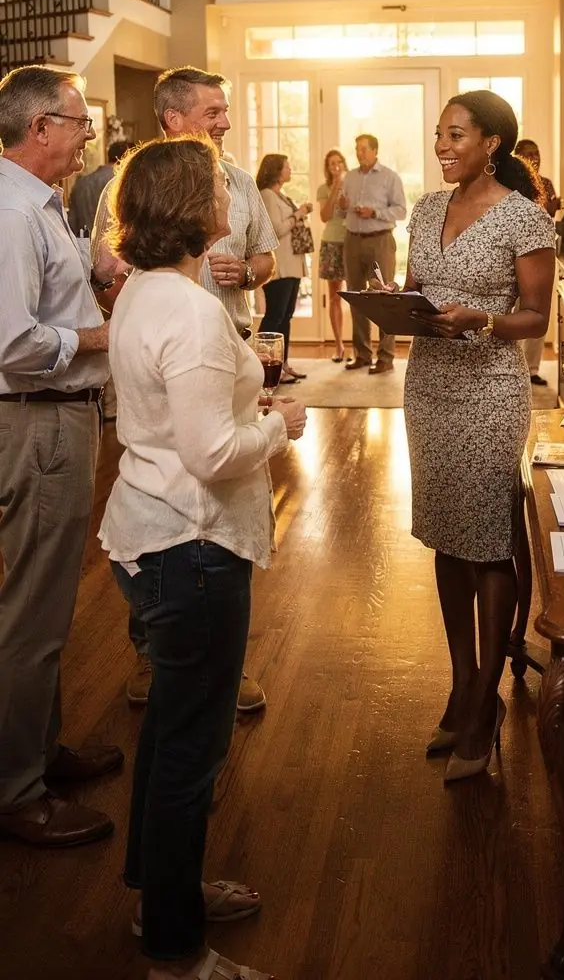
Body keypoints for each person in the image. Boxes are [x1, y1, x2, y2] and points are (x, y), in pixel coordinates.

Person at [100, 136, 304, 980]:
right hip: (189, 544)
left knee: (170, 733)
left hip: (149, 530)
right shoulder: (185, 309)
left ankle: (162, 893)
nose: (231, 194)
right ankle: (177, 954)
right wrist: (279, 426)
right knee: (192, 749)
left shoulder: (146, 290)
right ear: (193, 205)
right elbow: (213, 453)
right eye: (219, 185)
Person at [93, 67, 278, 713]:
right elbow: (108, 274)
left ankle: (205, 658)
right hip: (166, 355)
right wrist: (279, 427)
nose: (225, 122)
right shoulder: (132, 188)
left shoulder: (240, 182)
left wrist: (245, 271)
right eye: (212, 111)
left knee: (191, 512)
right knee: (179, 501)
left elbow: (266, 258)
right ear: (174, 119)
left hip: (222, 352)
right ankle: (166, 658)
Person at [399, 91, 555, 782]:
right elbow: (413, 288)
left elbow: (536, 317)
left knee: (489, 539)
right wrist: (395, 304)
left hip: (489, 391)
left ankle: (486, 699)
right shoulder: (425, 209)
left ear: (492, 143)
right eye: (439, 134)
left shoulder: (525, 218)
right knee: (445, 533)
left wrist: (481, 320)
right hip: (428, 387)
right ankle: (462, 683)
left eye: (456, 134)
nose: (442, 145)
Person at [0, 65, 120, 848]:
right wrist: (97, 337)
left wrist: (97, 274)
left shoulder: (40, 204)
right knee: (33, 612)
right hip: (39, 420)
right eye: (79, 121)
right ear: (41, 127)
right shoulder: (14, 212)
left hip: (57, 418)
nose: (89, 134)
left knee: (43, 603)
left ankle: (39, 753)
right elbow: (13, 343)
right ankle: (18, 791)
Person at [341, 134, 407, 374]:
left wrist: (375, 212)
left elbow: (401, 210)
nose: (359, 153)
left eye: (363, 149)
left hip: (380, 241)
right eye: (356, 149)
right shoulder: (349, 177)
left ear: (374, 151)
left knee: (384, 298)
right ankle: (362, 354)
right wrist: (342, 207)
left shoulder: (390, 177)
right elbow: (342, 211)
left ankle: (386, 357)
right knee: (356, 297)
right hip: (352, 240)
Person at [256, 153, 312, 384]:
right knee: (275, 316)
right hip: (279, 266)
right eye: (287, 167)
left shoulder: (281, 196)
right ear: (276, 171)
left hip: (292, 265)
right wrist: (298, 214)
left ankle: (282, 364)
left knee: (286, 316)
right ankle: (264, 369)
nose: (290, 170)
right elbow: (275, 230)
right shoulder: (267, 196)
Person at [514, 138, 560, 387]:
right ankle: (514, 365)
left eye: (537, 153)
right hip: (514, 253)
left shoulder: (546, 183)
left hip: (540, 252)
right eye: (529, 154)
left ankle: (532, 368)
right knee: (514, 311)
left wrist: (552, 207)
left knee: (537, 311)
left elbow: (548, 213)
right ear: (517, 156)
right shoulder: (510, 181)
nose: (535, 158)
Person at [316, 148, 348, 363]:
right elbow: (325, 216)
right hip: (331, 244)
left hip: (352, 242)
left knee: (357, 293)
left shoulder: (354, 184)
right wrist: (336, 186)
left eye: (339, 162)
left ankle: (361, 348)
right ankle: (339, 345)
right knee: (335, 296)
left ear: (344, 164)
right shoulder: (323, 188)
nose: (336, 166)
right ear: (327, 168)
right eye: (331, 164)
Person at [68, 138, 133, 236]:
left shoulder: (81, 183)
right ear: (126, 159)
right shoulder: (122, 182)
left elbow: (72, 223)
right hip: (113, 242)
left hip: (83, 242)